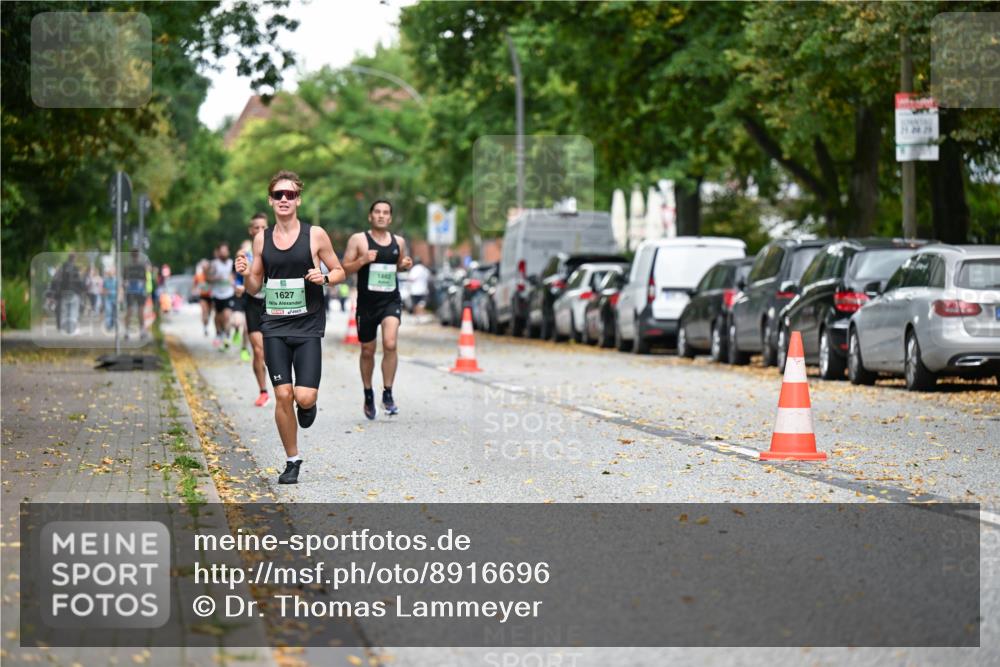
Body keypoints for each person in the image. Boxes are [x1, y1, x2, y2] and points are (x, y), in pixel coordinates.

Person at [235, 170, 345, 485]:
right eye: (279, 195)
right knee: (283, 395)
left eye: (291, 194)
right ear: (271, 200)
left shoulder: (316, 235)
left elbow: (338, 270)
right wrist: (245, 273)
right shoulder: (262, 238)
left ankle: (308, 407)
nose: (285, 199)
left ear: (298, 199)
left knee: (304, 397)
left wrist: (323, 278)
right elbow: (256, 285)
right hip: (274, 325)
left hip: (308, 324)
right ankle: (292, 460)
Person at [341, 200, 413, 420]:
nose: (381, 216)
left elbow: (401, 263)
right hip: (367, 304)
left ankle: (388, 393)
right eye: (377, 212)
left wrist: (405, 264)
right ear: (370, 216)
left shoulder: (398, 241)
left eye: (386, 213)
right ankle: (368, 393)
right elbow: (344, 268)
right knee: (367, 351)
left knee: (390, 343)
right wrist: (362, 260)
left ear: (390, 218)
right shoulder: (359, 240)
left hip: (390, 300)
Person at [242, 213, 271, 408]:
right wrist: (239, 285)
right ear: (250, 231)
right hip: (252, 303)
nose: (259, 230)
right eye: (256, 227)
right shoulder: (244, 254)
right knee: (258, 351)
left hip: (273, 303)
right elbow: (236, 278)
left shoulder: (276, 249)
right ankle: (263, 391)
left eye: (263, 227)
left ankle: (281, 383)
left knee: (271, 352)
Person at [209, 242, 235, 350]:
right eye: (221, 251)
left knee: (227, 315)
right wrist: (216, 278)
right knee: (218, 316)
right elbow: (208, 278)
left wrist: (233, 281)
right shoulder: (214, 264)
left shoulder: (231, 263)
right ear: (218, 252)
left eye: (225, 251)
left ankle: (227, 335)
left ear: (228, 252)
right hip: (217, 294)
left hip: (229, 293)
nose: (223, 253)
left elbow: (235, 277)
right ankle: (219, 333)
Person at [51, 254, 86, 334]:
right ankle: (71, 329)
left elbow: (55, 280)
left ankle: (63, 329)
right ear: (74, 259)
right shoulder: (75, 269)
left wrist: (55, 292)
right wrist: (83, 289)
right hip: (74, 292)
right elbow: (79, 281)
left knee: (64, 311)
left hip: (62, 293)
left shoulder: (62, 268)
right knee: (73, 311)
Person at [123, 249, 148, 339]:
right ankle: (128, 332)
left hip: (138, 291)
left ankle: (140, 331)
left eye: (135, 255)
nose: (135, 257)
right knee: (131, 311)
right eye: (134, 255)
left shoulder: (140, 266)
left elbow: (145, 279)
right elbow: (124, 280)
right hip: (132, 291)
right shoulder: (129, 267)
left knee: (138, 312)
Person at [194, 259, 213, 336]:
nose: (205, 268)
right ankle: (205, 327)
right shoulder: (198, 276)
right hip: (203, 296)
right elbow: (194, 286)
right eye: (203, 266)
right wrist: (195, 290)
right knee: (204, 311)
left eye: (206, 266)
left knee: (209, 313)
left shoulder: (212, 276)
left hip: (211, 296)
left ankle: (206, 323)